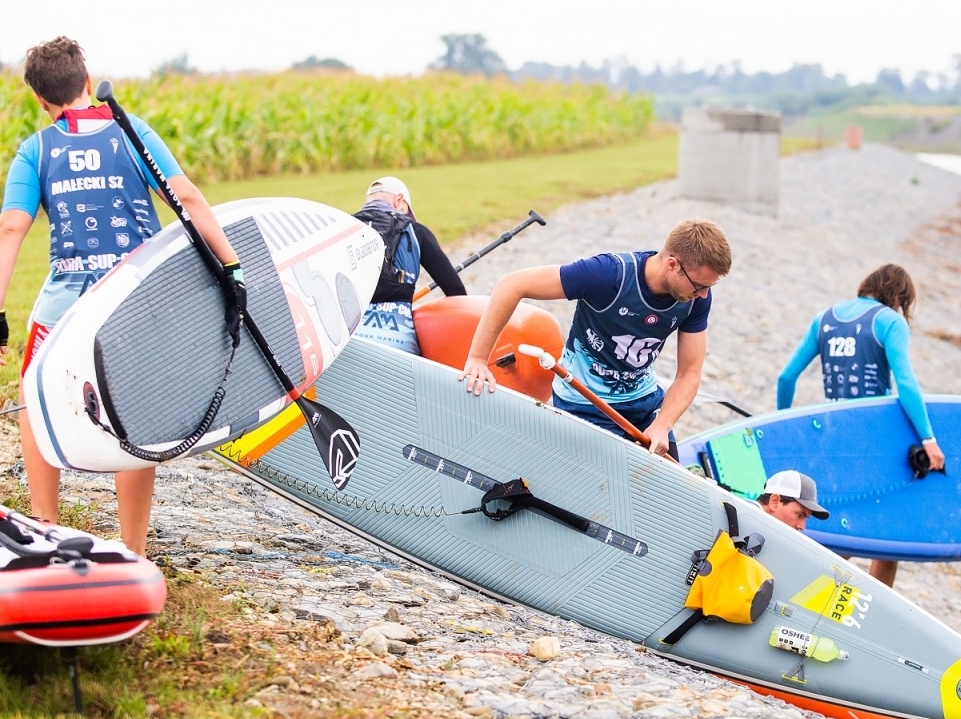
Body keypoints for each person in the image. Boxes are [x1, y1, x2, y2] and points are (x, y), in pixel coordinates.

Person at [0, 37, 240, 557]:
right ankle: (135, 550)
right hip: (134, 302)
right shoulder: (131, 132)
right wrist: (230, 266)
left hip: (66, 303)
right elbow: (184, 196)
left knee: (36, 395)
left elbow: (12, 227)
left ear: (39, 98)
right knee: (132, 409)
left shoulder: (36, 149)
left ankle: (44, 525)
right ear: (86, 78)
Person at [459, 219, 732, 456]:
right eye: (699, 286)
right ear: (672, 264)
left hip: (644, 404)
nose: (704, 295)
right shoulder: (606, 275)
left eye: (709, 287)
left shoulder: (695, 298)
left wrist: (663, 424)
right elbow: (512, 284)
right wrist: (478, 358)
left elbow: (690, 373)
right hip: (584, 402)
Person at [775, 262, 942, 588]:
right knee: (888, 534)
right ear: (899, 298)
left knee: (842, 520)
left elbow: (786, 377)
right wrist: (929, 438)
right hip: (875, 436)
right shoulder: (889, 321)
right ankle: (868, 607)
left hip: (833, 434)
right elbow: (906, 383)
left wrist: (783, 423)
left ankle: (807, 586)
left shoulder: (824, 318)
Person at [352, 176, 466, 354]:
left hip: (349, 345)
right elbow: (456, 290)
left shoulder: (342, 229)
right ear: (399, 200)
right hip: (399, 346)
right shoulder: (417, 231)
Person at [756, 470, 830, 531]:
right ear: (774, 502)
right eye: (799, 515)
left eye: (805, 519)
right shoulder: (745, 525)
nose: (802, 527)